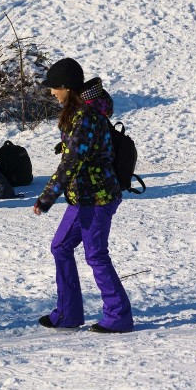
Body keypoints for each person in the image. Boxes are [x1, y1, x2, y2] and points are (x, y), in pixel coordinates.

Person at [33, 58, 134, 333]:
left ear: (66, 87)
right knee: (61, 246)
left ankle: (119, 316)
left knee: (96, 255)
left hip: (98, 196)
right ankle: (68, 313)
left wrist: (46, 198)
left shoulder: (87, 117)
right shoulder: (79, 114)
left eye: (54, 87)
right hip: (82, 197)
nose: (52, 92)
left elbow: (72, 161)